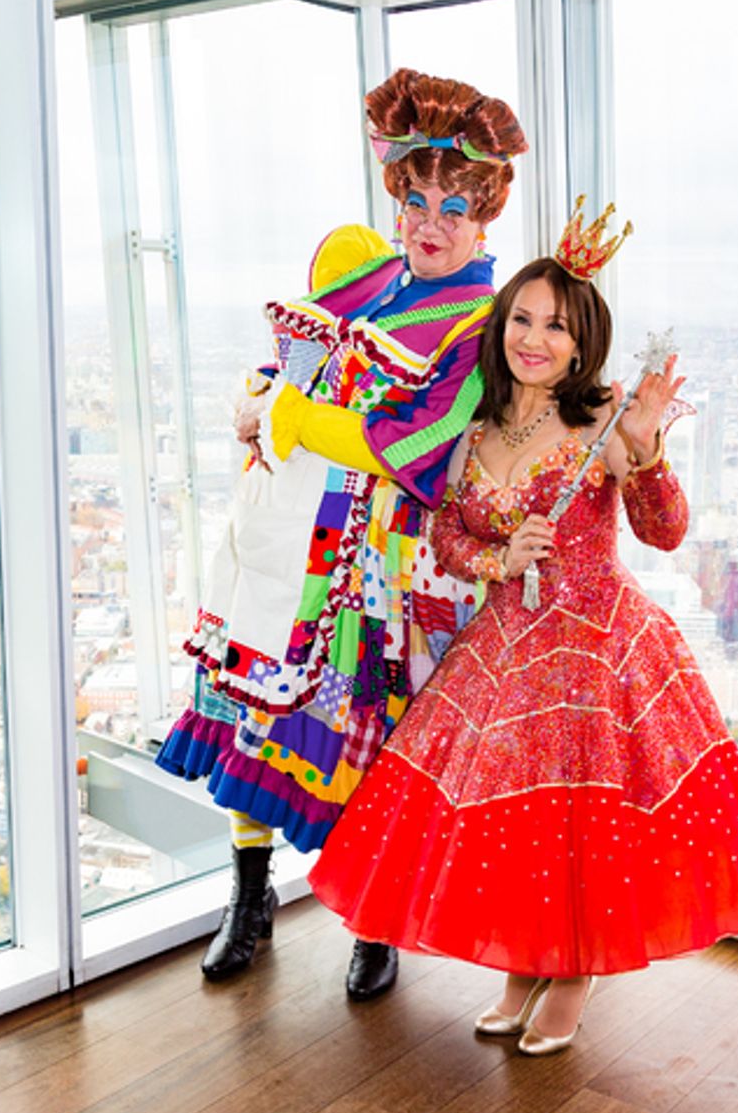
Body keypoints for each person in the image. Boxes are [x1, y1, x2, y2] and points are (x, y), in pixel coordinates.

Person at [309, 204, 738, 1050]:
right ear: (501, 327)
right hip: (504, 650)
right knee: (518, 824)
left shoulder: (601, 418)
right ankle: (524, 966)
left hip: (599, 646)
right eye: (523, 320)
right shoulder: (474, 431)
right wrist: (499, 558)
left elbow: (665, 530)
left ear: (583, 342)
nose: (534, 339)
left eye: (556, 328)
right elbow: (448, 538)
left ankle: (571, 976)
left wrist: (644, 449)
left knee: (580, 825)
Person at [155, 67, 527, 999]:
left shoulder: (483, 325)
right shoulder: (364, 281)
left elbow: (413, 447)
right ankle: (249, 898)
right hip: (280, 538)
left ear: (485, 220)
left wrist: (281, 412)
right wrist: (260, 398)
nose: (429, 221)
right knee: (246, 718)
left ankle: (375, 917)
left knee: (364, 745)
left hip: (376, 572)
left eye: (451, 205)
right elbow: (282, 364)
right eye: (414, 198)